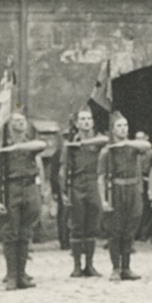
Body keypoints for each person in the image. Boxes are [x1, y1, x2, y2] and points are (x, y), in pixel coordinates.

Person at [0, 110, 48, 290]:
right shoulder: (3, 147)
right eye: (16, 121)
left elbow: (43, 145)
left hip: (29, 187)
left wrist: (19, 147)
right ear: (9, 126)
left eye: (22, 121)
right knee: (10, 233)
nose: (20, 124)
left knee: (25, 233)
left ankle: (22, 274)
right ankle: (11, 276)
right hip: (11, 188)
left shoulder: (31, 144)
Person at [97, 111, 152, 281]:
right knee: (116, 231)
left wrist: (127, 143)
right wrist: (104, 200)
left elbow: (147, 146)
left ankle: (126, 267)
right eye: (119, 126)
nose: (123, 129)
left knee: (129, 230)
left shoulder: (133, 147)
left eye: (125, 125)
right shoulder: (107, 152)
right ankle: (116, 268)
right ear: (113, 130)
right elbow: (101, 178)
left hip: (133, 190)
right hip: (116, 191)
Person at [60, 106, 108, 278]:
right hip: (77, 184)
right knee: (77, 226)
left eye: (89, 119)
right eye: (83, 119)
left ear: (93, 122)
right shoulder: (71, 145)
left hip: (93, 182)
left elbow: (105, 140)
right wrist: (64, 190)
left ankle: (90, 265)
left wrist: (83, 142)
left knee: (92, 226)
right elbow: (64, 168)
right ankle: (77, 266)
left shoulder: (98, 140)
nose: (86, 122)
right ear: (77, 123)